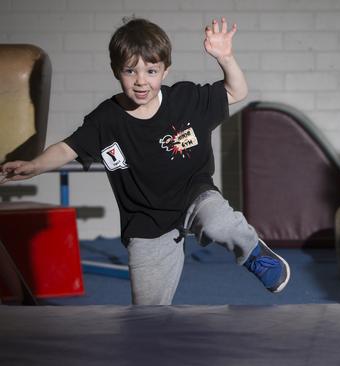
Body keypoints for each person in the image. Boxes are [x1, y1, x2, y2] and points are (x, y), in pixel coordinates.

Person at [0, 17, 290, 305]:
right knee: (147, 314)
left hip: (195, 195)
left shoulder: (186, 99)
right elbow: (67, 148)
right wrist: (35, 165)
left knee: (219, 223)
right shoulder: (106, 119)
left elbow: (236, 91)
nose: (141, 81)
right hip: (145, 222)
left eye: (151, 71)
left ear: (165, 71)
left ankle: (254, 253)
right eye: (130, 71)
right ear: (116, 71)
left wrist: (225, 57)